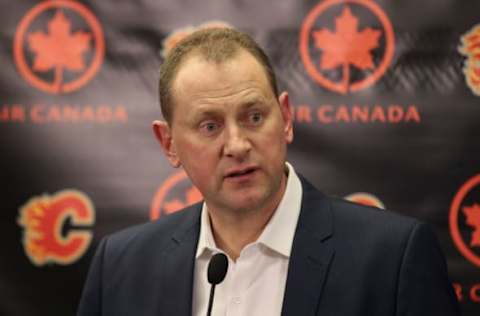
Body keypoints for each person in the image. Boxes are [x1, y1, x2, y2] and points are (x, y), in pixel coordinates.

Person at [77, 28, 460, 316]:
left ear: (287, 119)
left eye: (254, 117)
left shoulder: (392, 258)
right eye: (210, 126)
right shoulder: (121, 266)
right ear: (169, 144)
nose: (238, 144)